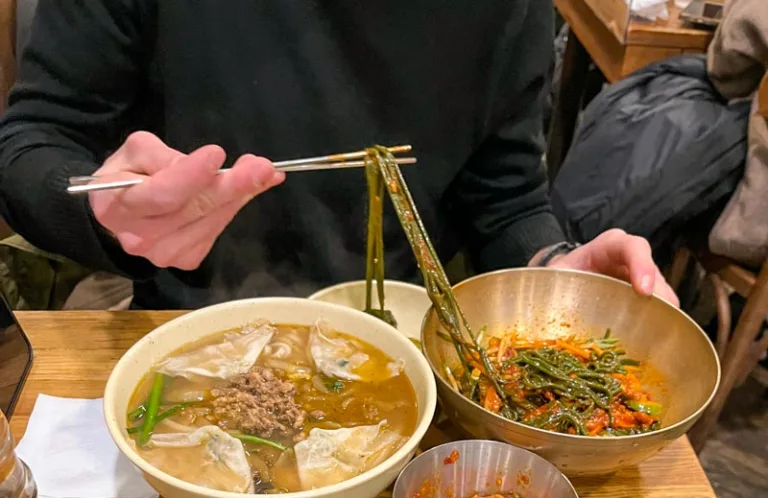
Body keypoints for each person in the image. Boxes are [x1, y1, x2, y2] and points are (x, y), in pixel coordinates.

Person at [0, 0, 677, 310]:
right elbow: (31, 141)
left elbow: (504, 197)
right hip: (185, 321)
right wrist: (112, 208)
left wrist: (555, 273)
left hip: (400, 343)